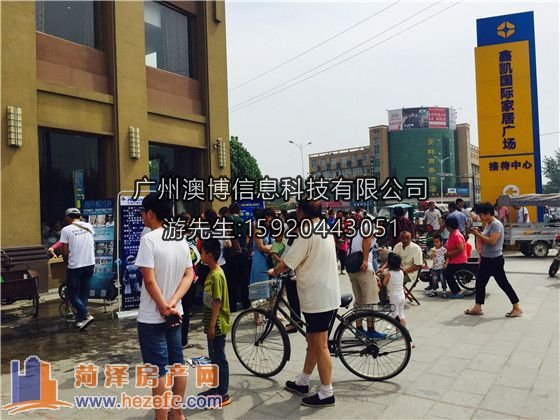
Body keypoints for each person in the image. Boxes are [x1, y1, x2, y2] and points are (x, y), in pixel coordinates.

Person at [268, 199, 341, 407]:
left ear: (301, 212)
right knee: (313, 343)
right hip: (326, 293)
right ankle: (303, 381)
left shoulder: (306, 232)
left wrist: (274, 270)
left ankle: (326, 392)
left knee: (320, 346)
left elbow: (288, 263)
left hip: (317, 297)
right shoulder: (324, 228)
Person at [135, 194, 195, 420]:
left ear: (151, 213)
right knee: (178, 364)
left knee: (158, 371)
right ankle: (177, 414)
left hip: (152, 317)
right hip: (175, 313)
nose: (142, 216)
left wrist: (163, 306)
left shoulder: (149, 240)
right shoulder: (180, 238)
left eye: (143, 212)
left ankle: (161, 417)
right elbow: (189, 275)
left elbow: (149, 281)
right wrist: (172, 303)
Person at [465, 202, 523, 317]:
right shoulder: (488, 223)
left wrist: (478, 234)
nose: (480, 217)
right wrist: (478, 233)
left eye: (481, 215)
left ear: (488, 213)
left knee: (503, 284)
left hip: (494, 260)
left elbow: (492, 241)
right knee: (480, 283)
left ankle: (517, 307)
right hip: (486, 259)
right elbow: (486, 238)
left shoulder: (496, 224)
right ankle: (478, 307)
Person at [199, 239, 231, 406]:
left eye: (202, 252)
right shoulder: (212, 273)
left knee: (219, 358)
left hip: (217, 325)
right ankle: (215, 387)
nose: (201, 255)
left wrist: (211, 326)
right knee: (213, 358)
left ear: (209, 255)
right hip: (212, 325)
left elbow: (217, 301)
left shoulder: (216, 275)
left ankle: (222, 393)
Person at [346, 216, 385, 339]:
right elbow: (366, 240)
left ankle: (359, 329)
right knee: (370, 301)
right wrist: (365, 260)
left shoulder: (356, 231)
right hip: (364, 268)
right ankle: (371, 330)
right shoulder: (370, 227)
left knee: (359, 300)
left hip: (353, 269)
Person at [58, 208, 96, 331]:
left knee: (72, 294)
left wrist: (66, 259)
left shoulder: (66, 230)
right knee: (83, 293)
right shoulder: (89, 226)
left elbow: (64, 250)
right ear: (79, 216)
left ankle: (86, 314)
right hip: (90, 264)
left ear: (68, 217)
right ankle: (80, 320)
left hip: (75, 266)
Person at [227, 203, 251, 310]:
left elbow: (229, 234)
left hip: (234, 253)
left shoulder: (229, 219)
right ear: (238, 211)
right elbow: (247, 238)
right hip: (244, 251)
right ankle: (246, 303)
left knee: (233, 280)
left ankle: (232, 305)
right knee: (244, 279)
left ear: (229, 211)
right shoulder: (243, 221)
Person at [442, 217, 467, 299]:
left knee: (447, 273)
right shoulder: (452, 234)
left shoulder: (457, 235)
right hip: (452, 259)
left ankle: (457, 291)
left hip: (458, 260)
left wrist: (449, 254)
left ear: (449, 227)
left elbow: (460, 249)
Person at [380, 253, 407, 328]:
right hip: (402, 295)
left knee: (395, 315)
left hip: (394, 297)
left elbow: (384, 283)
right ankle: (404, 330)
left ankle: (399, 331)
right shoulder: (401, 272)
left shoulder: (389, 273)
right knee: (401, 314)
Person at [249, 208, 274, 285]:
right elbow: (261, 248)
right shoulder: (258, 230)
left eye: (271, 218)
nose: (269, 220)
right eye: (267, 218)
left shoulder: (268, 230)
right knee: (261, 281)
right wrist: (273, 246)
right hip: (259, 258)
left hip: (268, 258)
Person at [428, 234, 447, 298]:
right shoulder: (432, 249)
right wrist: (432, 255)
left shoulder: (443, 249)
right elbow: (429, 258)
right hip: (434, 267)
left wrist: (446, 264)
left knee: (442, 279)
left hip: (441, 267)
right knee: (434, 279)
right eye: (434, 242)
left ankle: (444, 291)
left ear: (441, 242)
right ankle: (434, 291)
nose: (435, 244)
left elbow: (447, 257)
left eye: (437, 242)